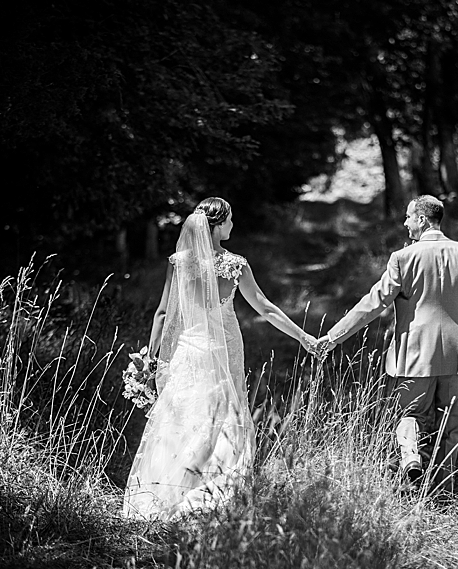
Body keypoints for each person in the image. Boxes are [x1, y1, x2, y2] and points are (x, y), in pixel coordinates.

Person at [122, 197, 318, 520]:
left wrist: (150, 357)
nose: (232, 225)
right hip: (222, 351)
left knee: (181, 419)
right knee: (223, 421)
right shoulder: (235, 265)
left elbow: (161, 315)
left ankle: (168, 493)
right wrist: (304, 336)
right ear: (216, 226)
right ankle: (212, 496)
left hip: (187, 350)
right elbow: (266, 308)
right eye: (229, 220)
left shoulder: (178, 262)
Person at [317, 195, 458, 495]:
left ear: (423, 220)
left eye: (409, 217)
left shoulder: (403, 258)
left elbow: (372, 304)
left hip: (415, 355)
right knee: (451, 428)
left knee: (408, 415)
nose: (405, 223)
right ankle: (445, 492)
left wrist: (333, 337)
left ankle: (411, 456)